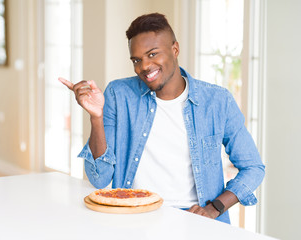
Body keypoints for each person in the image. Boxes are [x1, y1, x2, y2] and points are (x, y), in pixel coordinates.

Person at [59, 13, 265, 224]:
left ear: (175, 49)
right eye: (136, 60)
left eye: (152, 54)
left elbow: (253, 168)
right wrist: (96, 117)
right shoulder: (118, 94)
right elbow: (99, 178)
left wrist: (214, 208)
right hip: (134, 216)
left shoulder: (217, 101)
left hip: (196, 221)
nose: (144, 66)